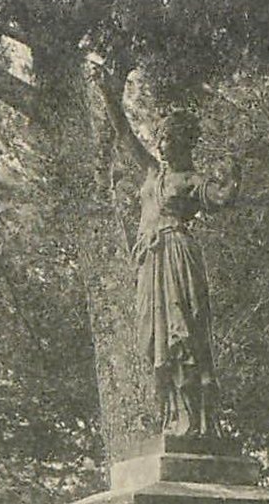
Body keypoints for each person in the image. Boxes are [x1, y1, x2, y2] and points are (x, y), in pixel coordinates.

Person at [99, 74, 241, 438]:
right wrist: (111, 99)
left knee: (185, 336)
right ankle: (171, 416)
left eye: (170, 139)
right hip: (151, 261)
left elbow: (223, 199)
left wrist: (234, 174)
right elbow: (126, 137)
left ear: (185, 143)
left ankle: (195, 422)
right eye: (161, 138)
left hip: (178, 256)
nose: (163, 145)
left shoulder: (192, 181)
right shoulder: (151, 171)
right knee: (154, 339)